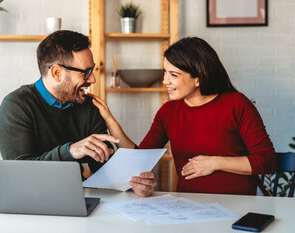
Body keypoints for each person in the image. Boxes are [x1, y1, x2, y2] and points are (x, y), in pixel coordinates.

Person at [90, 37, 277, 195]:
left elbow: (267, 161)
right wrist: (108, 118)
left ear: (198, 78)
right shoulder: (168, 112)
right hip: (189, 207)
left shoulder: (237, 104)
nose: (165, 81)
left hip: (240, 206)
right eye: (165, 72)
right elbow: (140, 157)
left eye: (174, 75)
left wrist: (214, 162)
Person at [0, 30, 156, 197]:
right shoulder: (16, 106)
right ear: (57, 73)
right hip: (27, 203)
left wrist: (133, 184)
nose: (92, 79)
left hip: (76, 199)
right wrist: (70, 151)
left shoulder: (88, 107)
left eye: (92, 70)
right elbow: (19, 174)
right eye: (85, 72)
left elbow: (106, 170)